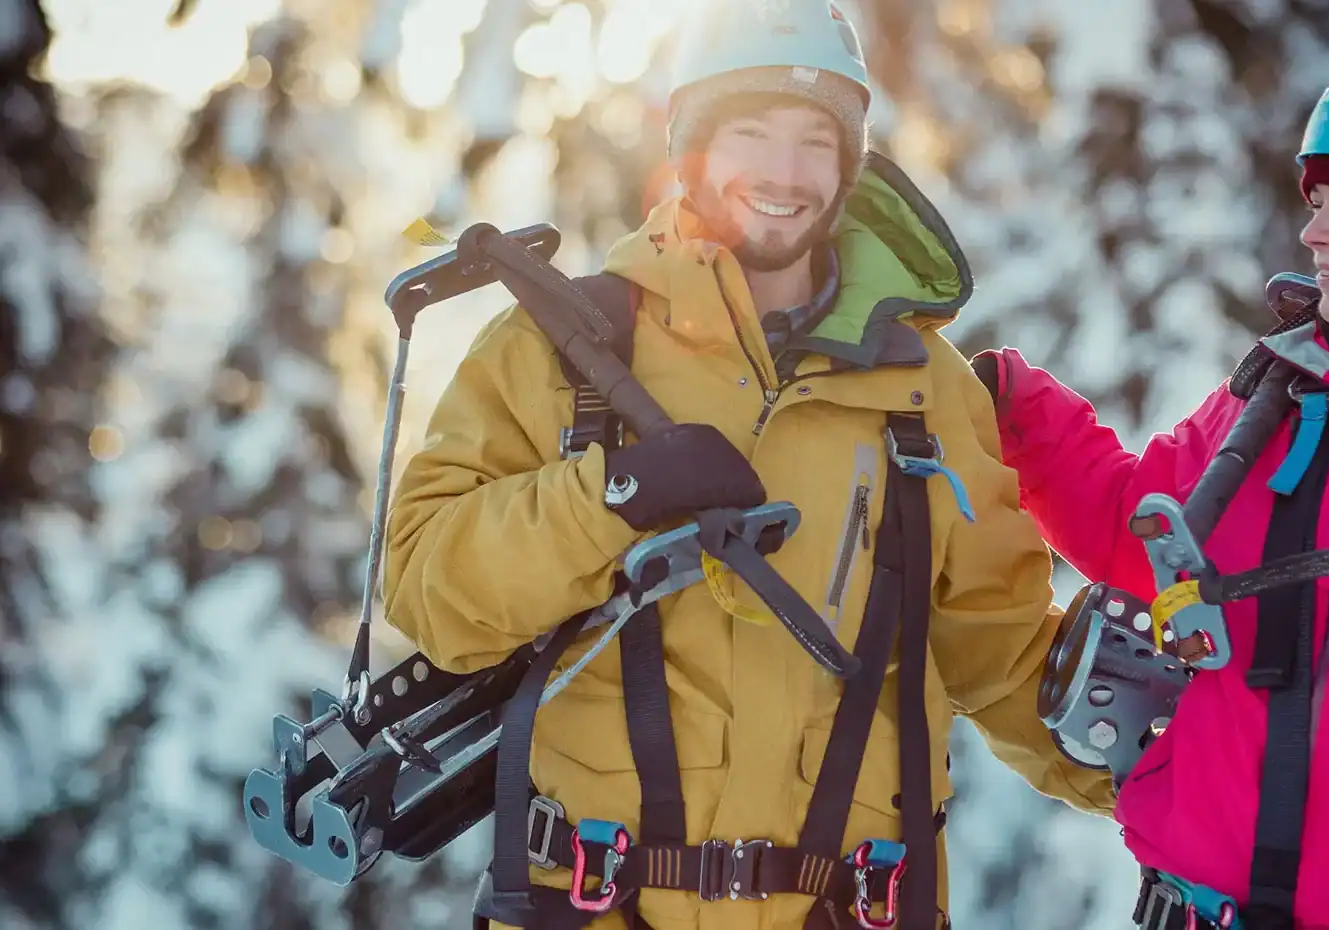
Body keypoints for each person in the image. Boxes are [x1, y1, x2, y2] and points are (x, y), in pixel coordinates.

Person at [381, 1, 1114, 928]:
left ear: (851, 159)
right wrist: (609, 498)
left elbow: (999, 654)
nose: (783, 172)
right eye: (751, 132)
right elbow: (428, 591)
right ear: (689, 146)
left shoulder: (925, 387)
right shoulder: (569, 348)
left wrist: (1202, 788)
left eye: (816, 138)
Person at [969, 32, 1329, 930]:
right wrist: (1015, 409)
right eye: (1315, 199)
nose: (1313, 230)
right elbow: (1139, 532)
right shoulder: (1286, 395)